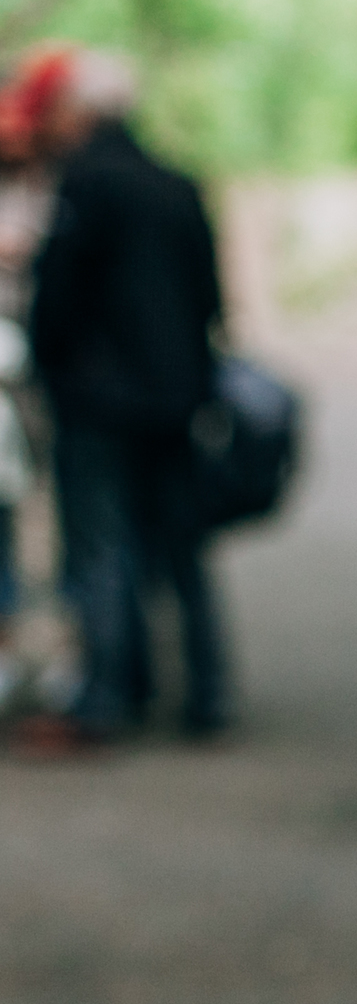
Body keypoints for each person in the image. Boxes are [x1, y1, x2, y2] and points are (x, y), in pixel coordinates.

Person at [25, 47, 229, 745]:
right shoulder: (178, 183)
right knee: (180, 548)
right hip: (176, 397)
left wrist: (52, 367)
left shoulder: (84, 183)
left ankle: (104, 698)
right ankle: (208, 692)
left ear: (81, 111)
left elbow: (57, 299)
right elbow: (210, 296)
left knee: (101, 546)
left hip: (100, 403)